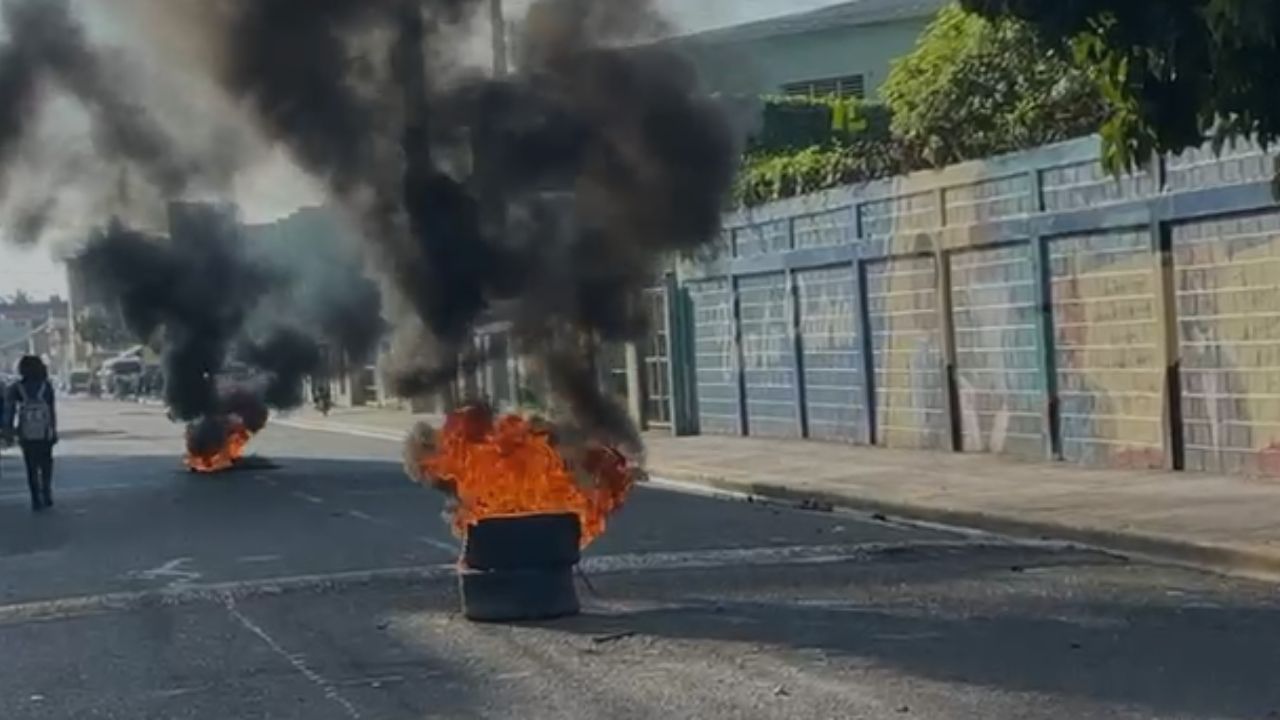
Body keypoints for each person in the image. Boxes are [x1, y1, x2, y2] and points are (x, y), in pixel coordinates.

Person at [4, 355, 58, 511]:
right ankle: (46, 491)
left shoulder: (17, 388)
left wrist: (9, 430)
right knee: (46, 463)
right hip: (44, 432)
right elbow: (51, 410)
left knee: (31, 466)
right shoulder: (46, 386)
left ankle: (35, 497)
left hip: (26, 433)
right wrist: (53, 430)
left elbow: (10, 411)